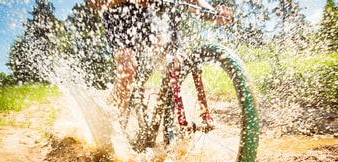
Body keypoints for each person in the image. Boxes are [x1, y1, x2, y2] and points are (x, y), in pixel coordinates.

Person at [86, 0, 233, 126]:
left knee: (172, 59)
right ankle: (108, 123)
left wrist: (214, 12)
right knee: (128, 68)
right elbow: (92, 2)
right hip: (115, 15)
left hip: (144, 14)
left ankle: (169, 120)